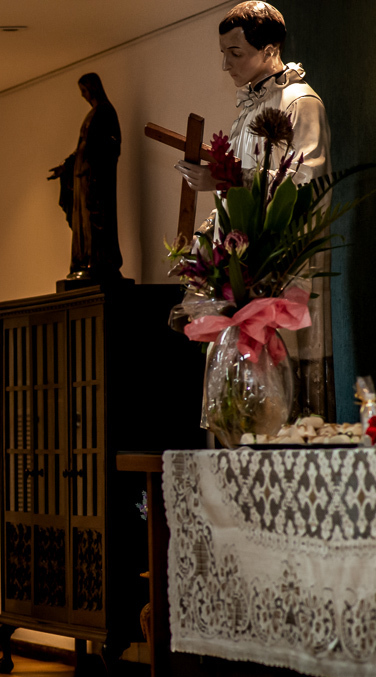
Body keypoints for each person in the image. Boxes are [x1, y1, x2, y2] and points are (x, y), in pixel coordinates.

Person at [175, 1, 334, 417]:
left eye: (236, 53)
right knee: (237, 396)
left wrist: (227, 181)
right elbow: (240, 195)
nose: (226, 65)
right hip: (244, 271)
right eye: (223, 53)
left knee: (285, 399)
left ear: (270, 49)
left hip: (284, 270)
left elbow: (305, 189)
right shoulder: (247, 111)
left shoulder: (299, 103)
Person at [47, 72, 123, 282]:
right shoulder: (92, 114)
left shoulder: (105, 112)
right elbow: (81, 145)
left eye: (84, 91)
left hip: (94, 176)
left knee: (94, 220)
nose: (83, 95)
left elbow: (110, 144)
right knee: (81, 222)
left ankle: (97, 260)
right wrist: (66, 167)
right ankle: (83, 260)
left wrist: (94, 165)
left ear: (93, 89)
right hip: (82, 174)